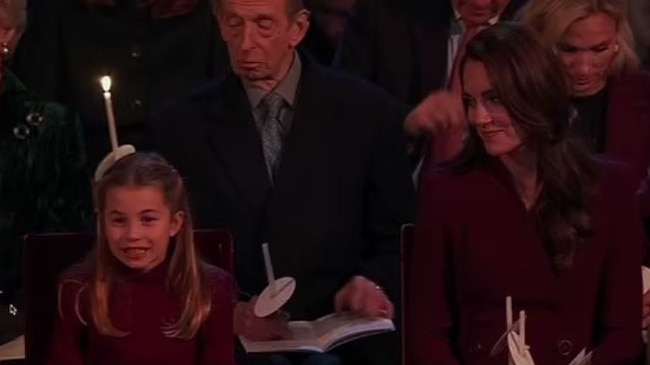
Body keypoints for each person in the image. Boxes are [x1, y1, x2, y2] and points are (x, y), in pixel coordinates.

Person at [146, 0, 415, 363]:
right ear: (219, 25)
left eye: (263, 24)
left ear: (298, 29)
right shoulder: (179, 128)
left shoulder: (369, 114)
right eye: (234, 24)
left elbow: (400, 238)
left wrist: (375, 282)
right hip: (234, 346)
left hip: (344, 341)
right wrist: (227, 312)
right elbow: (168, 254)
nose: (246, 42)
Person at [407, 23, 643, 365]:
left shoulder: (610, 188)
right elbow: (428, 334)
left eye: (494, 99)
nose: (478, 118)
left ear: (534, 93)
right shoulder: (446, 191)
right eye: (470, 102)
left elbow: (623, 333)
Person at [519, 0, 650, 330]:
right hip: (536, 284)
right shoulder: (516, 104)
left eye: (600, 49)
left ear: (618, 41)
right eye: (569, 50)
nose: (584, 67)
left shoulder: (644, 99)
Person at [47, 152, 235, 365]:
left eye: (147, 219)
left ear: (174, 223)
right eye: (118, 220)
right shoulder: (77, 287)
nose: (132, 234)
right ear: (103, 223)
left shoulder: (212, 288)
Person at [12, 0, 230, 167]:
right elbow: (40, 118)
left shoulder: (207, 13)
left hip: (186, 184)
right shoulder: (56, 10)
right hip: (86, 186)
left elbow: (223, 113)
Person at [0, 0, 91, 346]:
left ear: (6, 34)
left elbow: (68, 244)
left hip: (19, 321)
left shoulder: (51, 127)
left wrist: (17, 312)